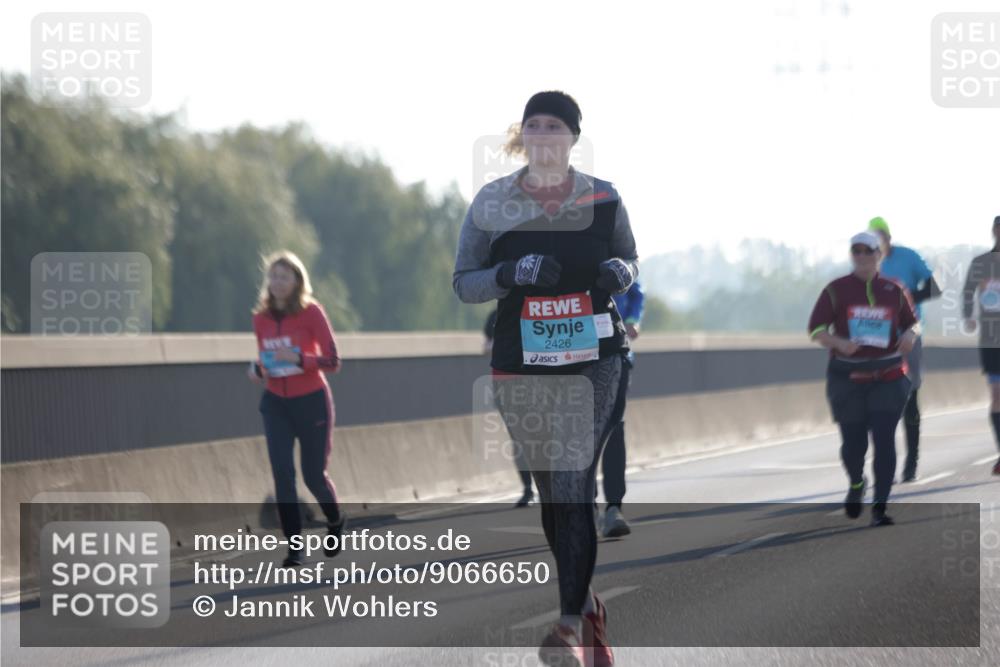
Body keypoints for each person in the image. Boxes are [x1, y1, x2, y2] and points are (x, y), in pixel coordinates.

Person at [453, 90, 637, 667]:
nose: (542, 134)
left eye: (553, 125)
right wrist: (512, 271)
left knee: (573, 480)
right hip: (521, 362)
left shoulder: (603, 197)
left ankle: (566, 629)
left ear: (572, 137)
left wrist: (618, 272)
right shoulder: (492, 201)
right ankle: (588, 610)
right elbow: (465, 282)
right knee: (555, 494)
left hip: (595, 358)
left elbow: (632, 262)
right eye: (532, 125)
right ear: (523, 136)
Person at [808, 231, 919, 527]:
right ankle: (857, 482)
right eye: (855, 251)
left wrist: (909, 335)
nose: (860, 256)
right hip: (848, 377)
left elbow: (912, 323)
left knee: (884, 441)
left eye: (867, 251)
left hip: (888, 375)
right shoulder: (836, 289)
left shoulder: (893, 289)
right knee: (853, 446)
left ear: (878, 255)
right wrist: (839, 343)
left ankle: (880, 507)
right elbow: (816, 329)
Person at [249, 251, 347, 567]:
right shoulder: (260, 318)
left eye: (284, 277)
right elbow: (265, 359)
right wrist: (256, 370)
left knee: (313, 476)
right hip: (275, 403)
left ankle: (335, 520)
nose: (277, 283)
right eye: (273, 277)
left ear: (297, 281)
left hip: (311, 401)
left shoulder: (312, 313)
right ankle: (294, 548)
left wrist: (302, 360)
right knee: (282, 474)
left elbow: (333, 362)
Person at [868, 216, 940, 482]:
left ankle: (912, 461)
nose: (877, 244)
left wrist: (908, 298)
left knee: (910, 398)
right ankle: (883, 464)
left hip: (908, 336)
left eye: (881, 237)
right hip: (877, 342)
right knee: (878, 404)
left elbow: (936, 286)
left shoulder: (908, 257)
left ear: (888, 237)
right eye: (872, 239)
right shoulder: (869, 265)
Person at [599, 280, 644, 537]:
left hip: (617, 355)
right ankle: (585, 505)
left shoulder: (611, 248)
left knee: (614, 427)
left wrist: (633, 319)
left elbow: (636, 292)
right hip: (574, 358)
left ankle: (614, 508)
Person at [484, 308, 536, 507]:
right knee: (518, 437)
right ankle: (528, 488)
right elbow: (487, 346)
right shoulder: (495, 316)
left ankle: (548, 487)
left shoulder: (536, 307)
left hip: (535, 381)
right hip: (505, 382)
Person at [961, 215, 1000, 476]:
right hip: (990, 339)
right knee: (997, 396)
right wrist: (968, 316)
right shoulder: (981, 263)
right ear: (993, 232)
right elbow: (966, 291)